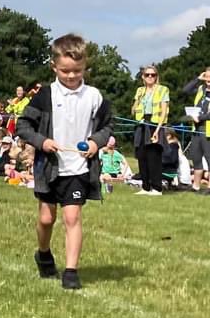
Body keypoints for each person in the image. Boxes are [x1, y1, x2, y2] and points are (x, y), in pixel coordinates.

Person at [16, 33, 113, 290]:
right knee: (46, 219)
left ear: (85, 66)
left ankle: (71, 271)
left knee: (72, 217)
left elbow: (107, 126)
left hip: (78, 169)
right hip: (49, 167)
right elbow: (23, 125)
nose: (71, 76)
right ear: (54, 66)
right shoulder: (45, 95)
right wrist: (42, 142)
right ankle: (44, 253)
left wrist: (95, 142)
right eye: (65, 71)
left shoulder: (94, 96)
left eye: (77, 71)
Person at [130, 65, 169, 196]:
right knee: (142, 155)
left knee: (154, 156)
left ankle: (157, 188)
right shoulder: (140, 90)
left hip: (155, 124)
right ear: (143, 77)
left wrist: (157, 130)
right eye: (147, 75)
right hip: (141, 124)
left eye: (153, 75)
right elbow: (133, 110)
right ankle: (145, 186)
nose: (150, 77)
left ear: (157, 76)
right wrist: (136, 102)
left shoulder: (163, 90)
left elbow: (164, 112)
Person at [182, 68, 210, 192]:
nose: (208, 80)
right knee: (196, 157)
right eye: (207, 77)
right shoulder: (201, 89)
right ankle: (196, 186)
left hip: (207, 128)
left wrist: (200, 117)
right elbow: (186, 90)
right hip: (196, 128)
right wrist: (198, 79)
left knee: (209, 158)